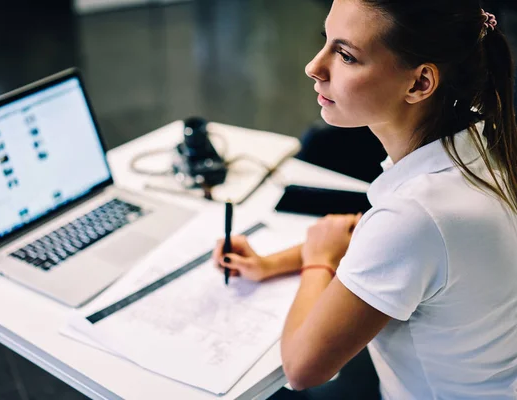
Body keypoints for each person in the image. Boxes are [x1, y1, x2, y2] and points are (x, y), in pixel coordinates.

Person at [212, 0, 517, 398]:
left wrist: (318, 261)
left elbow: (303, 368)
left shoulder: (416, 214)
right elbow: (401, 248)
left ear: (420, 83)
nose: (314, 67)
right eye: (326, 42)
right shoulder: (480, 137)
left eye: (345, 55)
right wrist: (276, 262)